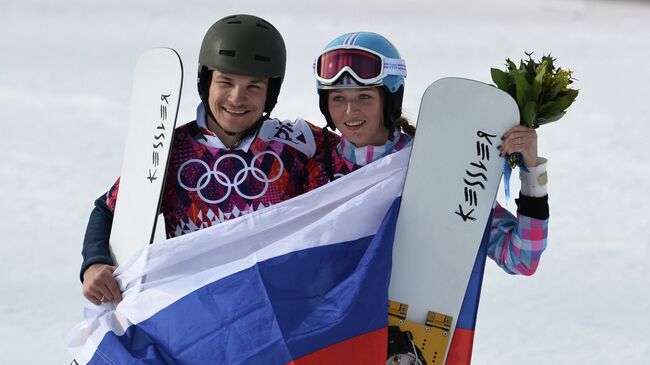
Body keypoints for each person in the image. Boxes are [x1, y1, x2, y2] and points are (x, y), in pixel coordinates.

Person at [308, 31, 549, 363]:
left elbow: (520, 258)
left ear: (389, 98)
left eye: (364, 97)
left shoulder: (435, 168)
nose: (350, 111)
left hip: (408, 343)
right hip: (330, 344)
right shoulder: (310, 168)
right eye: (337, 98)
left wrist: (532, 173)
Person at [80, 14, 330, 306]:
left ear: (270, 93)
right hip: (194, 314)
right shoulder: (173, 151)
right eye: (225, 82)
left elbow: (360, 170)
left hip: (274, 312)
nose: (237, 98)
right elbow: (109, 210)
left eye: (254, 86)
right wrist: (94, 264)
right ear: (206, 81)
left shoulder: (298, 145)